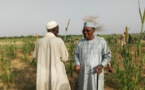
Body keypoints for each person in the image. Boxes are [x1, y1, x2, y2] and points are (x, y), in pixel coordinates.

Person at [33, 21, 71, 90]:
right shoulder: (58, 41)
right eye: (57, 29)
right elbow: (65, 58)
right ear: (54, 29)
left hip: (43, 74)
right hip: (56, 73)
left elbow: (36, 57)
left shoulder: (39, 41)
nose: (58, 31)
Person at [74, 22, 112, 90]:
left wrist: (102, 65)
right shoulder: (80, 43)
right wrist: (77, 64)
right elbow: (76, 55)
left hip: (95, 72)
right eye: (84, 31)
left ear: (93, 30)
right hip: (83, 73)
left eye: (88, 30)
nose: (85, 32)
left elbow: (107, 55)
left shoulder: (101, 42)